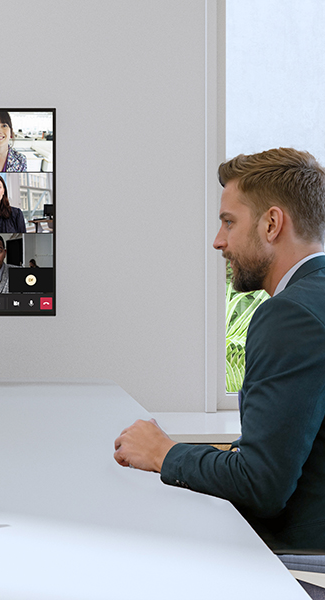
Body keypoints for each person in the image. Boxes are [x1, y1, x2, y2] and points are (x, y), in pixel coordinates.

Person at [113, 148, 325, 553]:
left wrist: (165, 453)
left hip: (302, 557)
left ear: (272, 223)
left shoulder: (289, 315)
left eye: (229, 222)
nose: (218, 241)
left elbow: (261, 484)